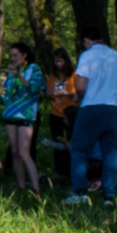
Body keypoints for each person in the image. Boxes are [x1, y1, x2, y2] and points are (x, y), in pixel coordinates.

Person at [65, 27, 117, 208]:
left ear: (87, 41)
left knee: (79, 149)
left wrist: (79, 95)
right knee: (110, 153)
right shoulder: (116, 56)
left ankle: (79, 192)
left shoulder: (87, 56)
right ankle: (108, 196)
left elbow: (81, 84)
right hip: (113, 108)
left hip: (91, 107)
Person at [0, 43, 45, 195]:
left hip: (26, 115)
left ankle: (36, 188)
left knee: (24, 153)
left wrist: (18, 76)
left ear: (24, 55)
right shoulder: (12, 73)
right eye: (11, 56)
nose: (13, 59)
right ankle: (21, 187)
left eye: (15, 55)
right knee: (15, 152)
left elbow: (35, 89)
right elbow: (6, 94)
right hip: (11, 114)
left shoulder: (34, 69)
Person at [44, 48, 78, 180]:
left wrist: (66, 94)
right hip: (55, 113)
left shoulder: (73, 74)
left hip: (70, 112)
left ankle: (73, 168)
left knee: (71, 140)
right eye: (56, 61)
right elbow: (47, 92)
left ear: (66, 61)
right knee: (57, 141)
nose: (58, 64)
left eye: (61, 61)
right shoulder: (53, 76)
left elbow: (78, 94)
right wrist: (49, 93)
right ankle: (59, 169)